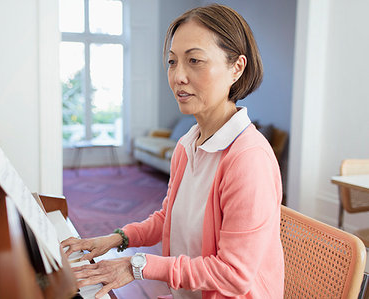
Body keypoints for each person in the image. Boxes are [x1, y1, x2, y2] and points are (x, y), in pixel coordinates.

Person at [62, 4, 284, 298]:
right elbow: (170, 218)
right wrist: (116, 239)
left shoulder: (248, 158)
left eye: (194, 60)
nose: (178, 76)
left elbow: (234, 275)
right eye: (172, 61)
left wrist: (136, 265)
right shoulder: (186, 145)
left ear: (237, 68)